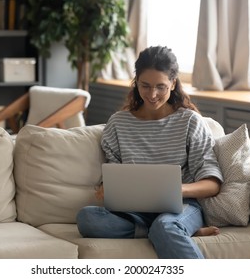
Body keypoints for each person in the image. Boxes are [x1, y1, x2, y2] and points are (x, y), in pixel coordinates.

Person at [76, 46, 224, 259]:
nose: (152, 95)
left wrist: (176, 189)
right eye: (145, 85)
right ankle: (169, 232)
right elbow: (114, 173)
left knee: (166, 224)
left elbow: (212, 184)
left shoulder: (190, 122)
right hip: (134, 212)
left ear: (173, 84)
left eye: (161, 87)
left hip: (180, 207)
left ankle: (170, 229)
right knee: (87, 218)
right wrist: (106, 188)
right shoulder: (119, 123)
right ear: (136, 82)